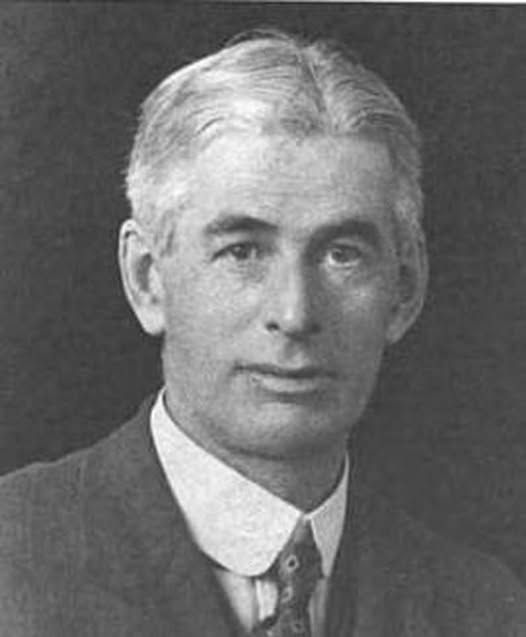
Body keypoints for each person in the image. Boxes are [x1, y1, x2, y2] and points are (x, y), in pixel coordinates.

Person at [0, 29, 525, 637]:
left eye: (342, 254)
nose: (295, 313)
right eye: (243, 251)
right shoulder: (14, 562)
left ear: (405, 291)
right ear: (147, 279)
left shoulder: (487, 611)